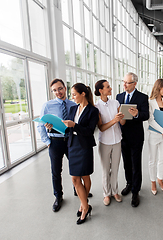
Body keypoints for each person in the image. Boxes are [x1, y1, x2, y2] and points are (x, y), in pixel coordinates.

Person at [37, 78, 76, 212]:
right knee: (56, 171)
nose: (58, 92)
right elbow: (40, 125)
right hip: (55, 142)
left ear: (65, 88)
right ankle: (58, 196)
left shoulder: (73, 104)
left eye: (60, 89)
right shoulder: (47, 106)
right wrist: (47, 142)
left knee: (75, 167)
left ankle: (78, 189)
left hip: (71, 141)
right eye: (54, 90)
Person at [62, 83, 99, 224]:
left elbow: (90, 131)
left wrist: (75, 125)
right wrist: (54, 127)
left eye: (74, 94)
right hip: (73, 145)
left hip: (84, 146)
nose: (72, 97)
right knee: (74, 179)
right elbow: (68, 129)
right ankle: (86, 205)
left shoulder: (92, 111)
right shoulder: (73, 108)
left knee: (85, 176)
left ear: (83, 93)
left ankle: (83, 207)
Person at [116, 72, 149, 207]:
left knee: (136, 164)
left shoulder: (142, 97)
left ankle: (136, 191)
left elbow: (146, 115)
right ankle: (129, 183)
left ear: (134, 84)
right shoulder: (119, 97)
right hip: (122, 136)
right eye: (123, 82)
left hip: (136, 136)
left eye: (127, 82)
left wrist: (137, 114)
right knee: (126, 163)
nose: (124, 84)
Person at [94, 79, 125, 206]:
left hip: (117, 140)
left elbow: (122, 123)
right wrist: (114, 120)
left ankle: (115, 191)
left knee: (115, 168)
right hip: (105, 142)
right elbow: (101, 127)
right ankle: (106, 194)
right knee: (106, 170)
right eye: (108, 87)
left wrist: (123, 118)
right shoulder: (96, 107)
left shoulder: (116, 102)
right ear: (101, 90)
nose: (110, 88)